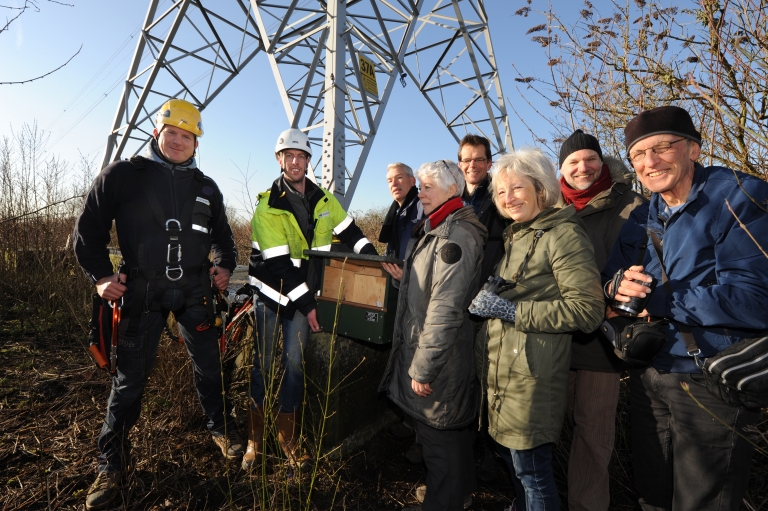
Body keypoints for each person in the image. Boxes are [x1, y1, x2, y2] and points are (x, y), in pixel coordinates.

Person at [73, 99, 240, 511]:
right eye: (172, 133)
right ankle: (111, 462)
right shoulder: (123, 175)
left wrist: (224, 266)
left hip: (196, 291)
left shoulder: (207, 187)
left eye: (187, 136)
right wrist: (101, 277)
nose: (178, 141)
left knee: (210, 365)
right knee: (129, 379)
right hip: (142, 291)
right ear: (156, 133)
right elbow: (88, 231)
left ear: (197, 143)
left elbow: (224, 238)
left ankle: (221, 429)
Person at [605, 105, 768, 511]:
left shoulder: (738, 197)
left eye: (662, 147)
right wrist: (616, 287)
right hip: (650, 372)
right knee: (653, 496)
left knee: (703, 503)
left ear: (693, 149)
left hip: (710, 378)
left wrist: (659, 300)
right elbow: (611, 277)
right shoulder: (642, 216)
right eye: (638, 155)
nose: (650, 162)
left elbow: (755, 299)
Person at [471, 148, 604, 511]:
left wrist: (511, 310)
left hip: (532, 375)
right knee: (514, 461)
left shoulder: (562, 235)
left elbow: (588, 310)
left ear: (541, 189)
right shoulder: (520, 234)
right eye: (501, 192)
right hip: (505, 371)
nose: (508, 198)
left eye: (517, 188)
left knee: (533, 473)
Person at [245, 128, 377, 472]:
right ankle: (255, 439)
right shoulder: (267, 207)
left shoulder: (323, 199)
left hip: (301, 296)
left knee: (294, 366)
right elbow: (280, 266)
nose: (295, 162)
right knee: (264, 366)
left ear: (308, 161)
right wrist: (309, 305)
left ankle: (288, 438)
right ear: (279, 160)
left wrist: (377, 262)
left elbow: (351, 233)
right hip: (272, 294)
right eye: (288, 156)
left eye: (301, 156)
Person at [379, 160, 486, 511]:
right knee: (450, 436)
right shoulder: (440, 227)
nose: (420, 193)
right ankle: (461, 494)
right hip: (442, 353)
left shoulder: (454, 235)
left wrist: (423, 368)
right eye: (421, 187)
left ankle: (444, 503)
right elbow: (433, 290)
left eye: (427, 187)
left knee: (438, 440)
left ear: (452, 189)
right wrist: (406, 278)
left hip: (440, 359)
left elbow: (446, 308)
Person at [557, 130, 646, 511]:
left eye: (590, 158)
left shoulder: (630, 205)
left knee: (593, 435)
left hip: (601, 340)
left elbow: (639, 268)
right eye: (573, 162)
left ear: (602, 160)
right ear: (561, 169)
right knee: (545, 425)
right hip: (555, 335)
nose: (583, 167)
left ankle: (586, 505)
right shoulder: (550, 206)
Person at [457, 133, 507, 482]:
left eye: (479, 159)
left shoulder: (500, 197)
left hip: (488, 301)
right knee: (462, 376)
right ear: (459, 163)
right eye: (466, 159)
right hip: (457, 300)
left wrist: (493, 290)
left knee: (490, 377)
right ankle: (465, 448)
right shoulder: (454, 198)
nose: (472, 165)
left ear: (489, 163)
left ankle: (492, 454)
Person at [380, 162, 424, 280]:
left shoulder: (424, 206)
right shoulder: (394, 214)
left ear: (412, 181)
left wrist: (409, 276)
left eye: (399, 177)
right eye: (389, 181)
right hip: (397, 281)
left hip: (416, 281)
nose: (394, 184)